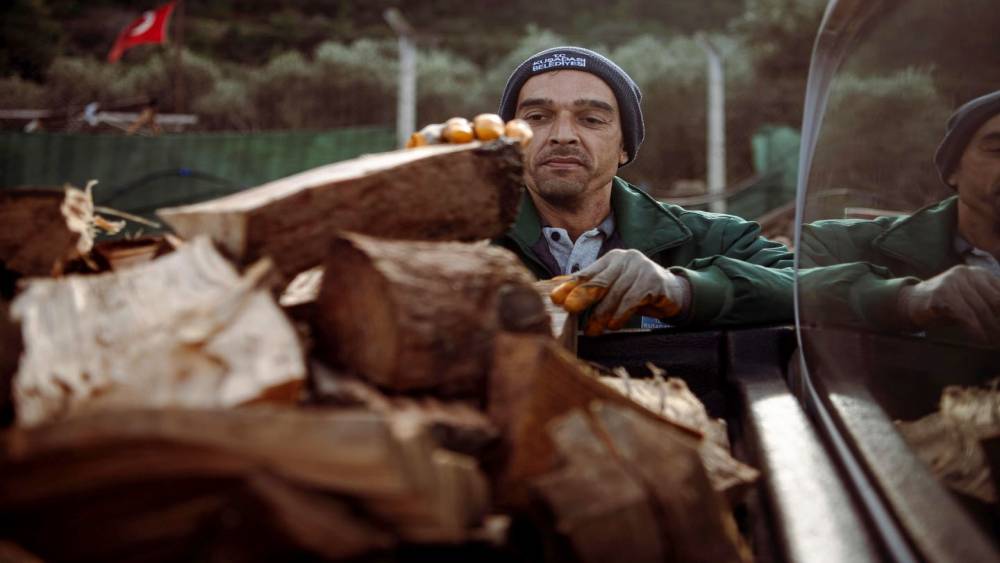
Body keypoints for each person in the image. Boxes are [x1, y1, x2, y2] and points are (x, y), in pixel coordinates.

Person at [486, 46, 794, 335]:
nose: (563, 135)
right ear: (510, 142)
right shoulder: (470, 243)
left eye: (591, 119)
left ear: (624, 147)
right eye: (537, 117)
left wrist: (683, 290)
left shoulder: (713, 240)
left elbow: (808, 287)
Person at [799, 90, 1000, 344]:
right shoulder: (843, 245)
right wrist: (905, 299)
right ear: (953, 171)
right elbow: (781, 283)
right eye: (997, 149)